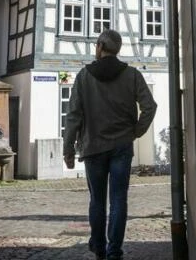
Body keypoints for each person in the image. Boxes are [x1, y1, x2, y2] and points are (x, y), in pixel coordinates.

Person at [64, 29, 157, 260]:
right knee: (118, 199)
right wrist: (136, 131)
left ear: (99, 46)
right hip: (121, 146)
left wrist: (68, 149)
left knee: (97, 199)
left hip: (93, 146)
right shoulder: (132, 75)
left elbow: (73, 115)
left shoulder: (84, 76)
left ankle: (98, 246)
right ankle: (114, 250)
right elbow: (150, 106)